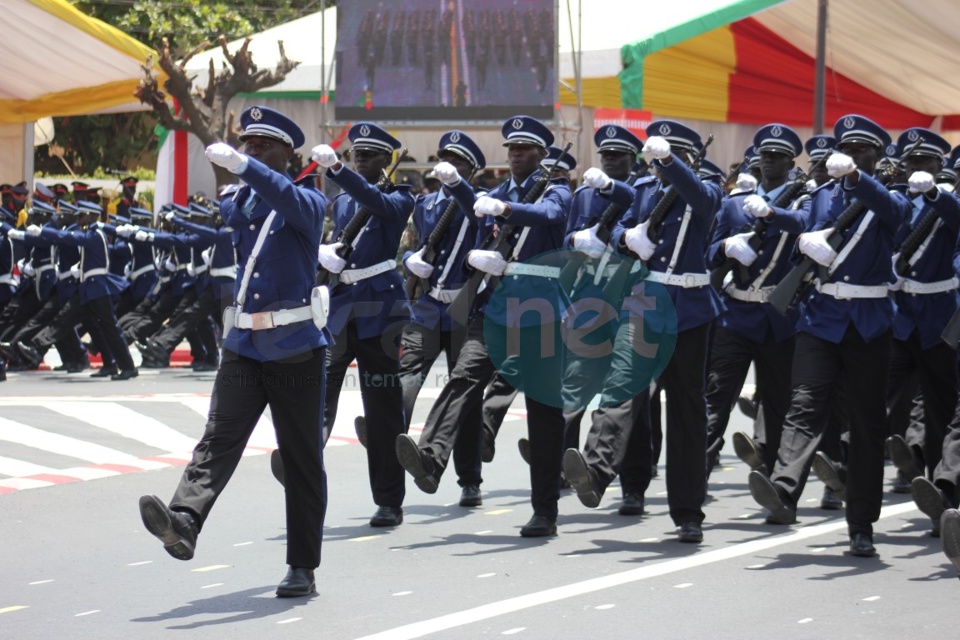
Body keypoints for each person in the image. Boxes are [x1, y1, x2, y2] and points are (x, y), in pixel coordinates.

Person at [138, 105, 329, 598]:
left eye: (265, 145)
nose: (253, 151)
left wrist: (249, 169)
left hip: (294, 348)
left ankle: (302, 566)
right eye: (249, 145)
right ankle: (184, 519)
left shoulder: (308, 201)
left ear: (290, 154)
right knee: (217, 439)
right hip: (243, 344)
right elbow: (234, 212)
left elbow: (287, 199)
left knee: (302, 458)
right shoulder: (238, 203)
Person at [396, 115, 571, 537]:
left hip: (541, 312)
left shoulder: (558, 189)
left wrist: (508, 210)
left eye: (524, 149)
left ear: (541, 155)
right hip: (494, 308)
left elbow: (548, 215)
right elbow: (477, 220)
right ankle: (432, 458)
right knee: (463, 379)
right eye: (511, 148)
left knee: (544, 416)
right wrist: (459, 188)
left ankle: (545, 510)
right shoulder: (495, 193)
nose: (515, 155)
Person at [747, 114, 909, 558]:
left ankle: (861, 524)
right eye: (848, 149)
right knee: (803, 404)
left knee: (866, 425)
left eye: (863, 150)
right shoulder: (821, 196)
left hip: (870, 322)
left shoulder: (890, 197)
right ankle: (783, 488)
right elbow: (800, 220)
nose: (852, 156)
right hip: (821, 318)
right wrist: (770, 214)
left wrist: (858, 179)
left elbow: (895, 216)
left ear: (878, 156)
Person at [563, 120, 723, 543]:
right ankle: (596, 472)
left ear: (687, 156)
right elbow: (621, 223)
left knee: (687, 412)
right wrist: (626, 237)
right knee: (621, 386)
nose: (653, 166)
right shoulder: (646, 190)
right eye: (654, 159)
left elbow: (700, 200)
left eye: (663, 157)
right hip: (644, 305)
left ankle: (688, 512)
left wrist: (671, 163)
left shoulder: (704, 188)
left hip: (689, 311)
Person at [305, 121, 415, 528]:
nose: (359, 160)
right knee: (320, 382)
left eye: (368, 156)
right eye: (356, 154)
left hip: (382, 309)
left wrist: (338, 172)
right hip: (344, 304)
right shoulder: (343, 202)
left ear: (387, 162)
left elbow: (381, 206)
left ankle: (389, 499)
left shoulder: (401, 196)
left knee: (382, 406)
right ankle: (307, 450)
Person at [704, 124, 807, 486]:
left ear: (791, 163)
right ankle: (698, 473)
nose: (769, 161)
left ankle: (774, 477)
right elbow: (709, 255)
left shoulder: (800, 203)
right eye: (764, 155)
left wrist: (770, 214)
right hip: (736, 315)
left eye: (777, 156)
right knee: (716, 397)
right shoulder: (733, 205)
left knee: (777, 402)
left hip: (780, 319)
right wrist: (725, 248)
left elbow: (804, 225)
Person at [397, 130, 486, 506]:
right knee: (404, 373)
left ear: (471, 170)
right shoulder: (427, 204)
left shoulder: (482, 203)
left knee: (464, 395)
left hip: (466, 307)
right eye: (444, 159)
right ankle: (392, 432)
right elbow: (412, 245)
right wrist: (410, 260)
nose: (447, 166)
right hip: (429, 305)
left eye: (458, 162)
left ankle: (470, 479)